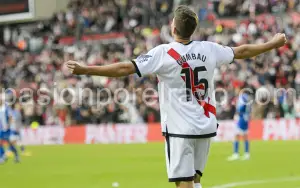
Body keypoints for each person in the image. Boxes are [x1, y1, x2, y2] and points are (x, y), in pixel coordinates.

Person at [66, 5, 287, 188]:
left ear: (173, 28)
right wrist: (273, 44)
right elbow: (242, 51)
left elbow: (125, 68)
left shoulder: (163, 53)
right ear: (194, 28)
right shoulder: (209, 49)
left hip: (180, 130)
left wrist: (87, 70)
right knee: (196, 179)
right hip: (205, 125)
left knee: (184, 184)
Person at [227, 91, 252, 161]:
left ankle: (236, 154)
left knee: (236, 135)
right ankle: (247, 154)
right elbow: (249, 108)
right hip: (246, 118)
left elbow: (240, 108)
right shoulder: (247, 98)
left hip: (241, 118)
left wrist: (237, 109)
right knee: (245, 136)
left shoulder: (242, 97)